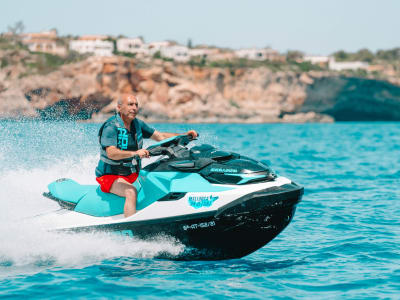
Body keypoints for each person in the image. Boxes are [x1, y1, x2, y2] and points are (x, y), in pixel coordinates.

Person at [95, 93, 198, 217]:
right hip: (110, 176)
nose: (134, 108)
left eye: (136, 105)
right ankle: (130, 229)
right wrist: (135, 153)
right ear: (119, 108)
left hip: (132, 174)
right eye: (130, 104)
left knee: (157, 180)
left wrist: (183, 135)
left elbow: (160, 136)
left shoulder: (137, 124)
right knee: (131, 192)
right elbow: (111, 153)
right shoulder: (111, 127)